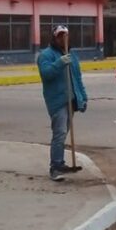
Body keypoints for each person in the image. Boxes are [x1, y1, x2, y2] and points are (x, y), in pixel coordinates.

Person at [37, 25, 88, 182]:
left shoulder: (71, 55)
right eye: (60, 36)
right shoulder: (45, 55)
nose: (63, 38)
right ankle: (55, 166)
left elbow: (77, 78)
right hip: (58, 100)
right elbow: (46, 74)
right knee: (59, 133)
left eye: (65, 35)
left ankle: (61, 162)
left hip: (71, 99)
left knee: (64, 133)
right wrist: (59, 63)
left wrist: (83, 97)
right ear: (54, 37)